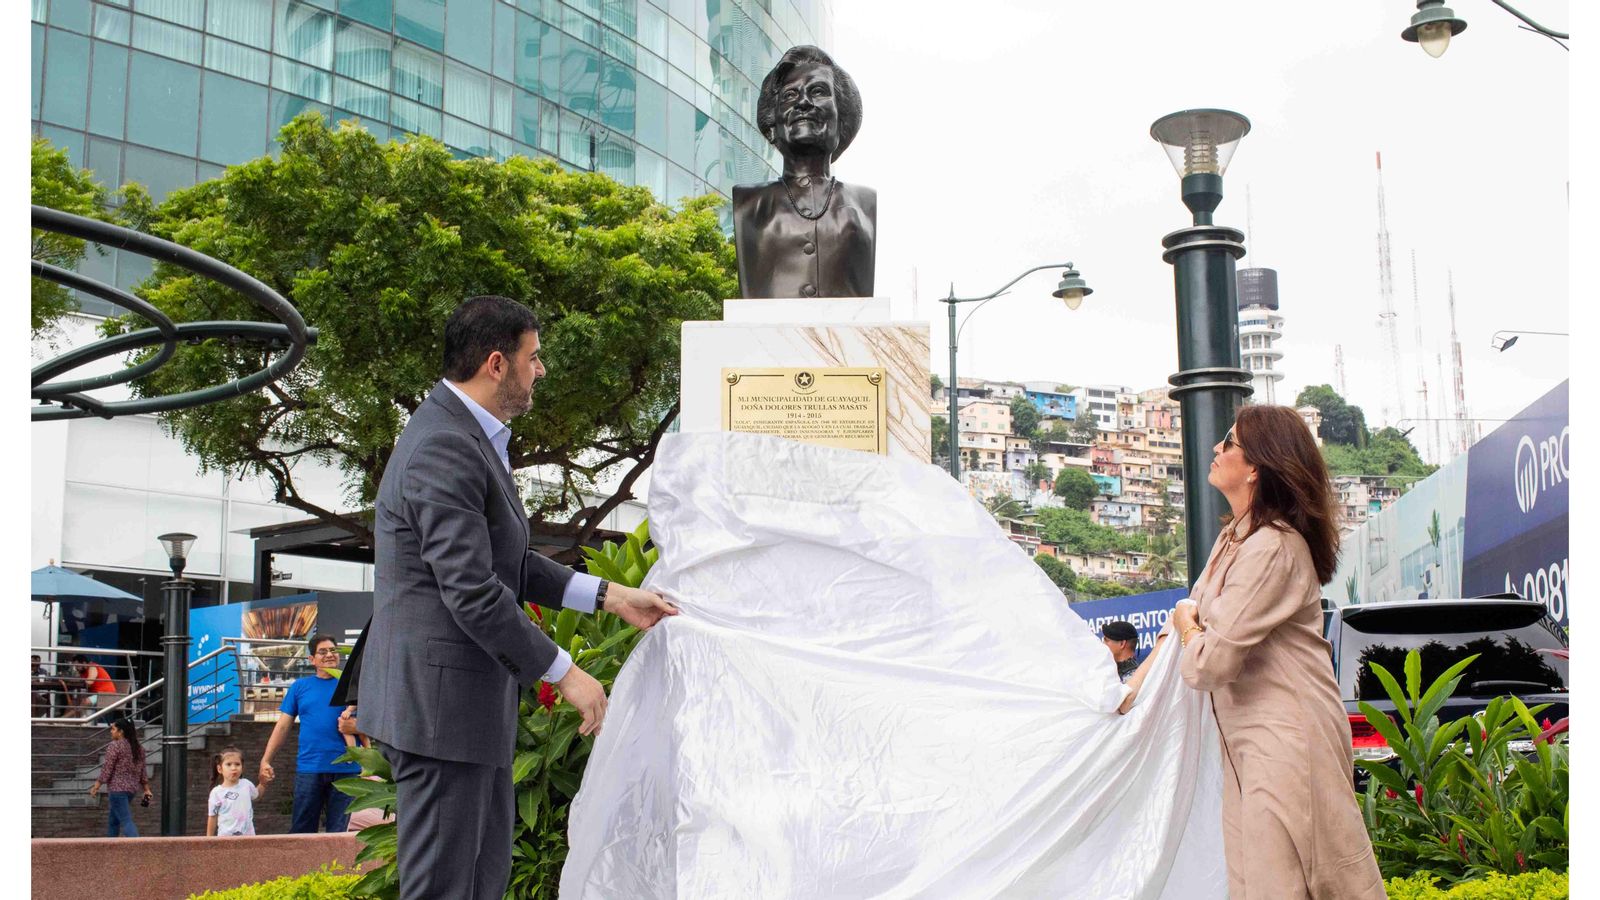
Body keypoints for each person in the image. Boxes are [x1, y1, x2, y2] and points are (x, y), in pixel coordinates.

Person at [340, 295, 679, 899]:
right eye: (534, 357)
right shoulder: (444, 444)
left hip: (462, 709)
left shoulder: (463, 434)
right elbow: (471, 591)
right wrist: (565, 672)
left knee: (480, 881)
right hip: (441, 712)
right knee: (448, 888)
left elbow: (510, 563)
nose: (540, 370)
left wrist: (611, 596)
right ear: (497, 364)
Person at [1167, 405, 1384, 898]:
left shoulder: (1272, 548)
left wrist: (1187, 628)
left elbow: (1210, 660)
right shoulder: (1233, 540)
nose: (1216, 449)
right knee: (1255, 885)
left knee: (1294, 883)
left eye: (1229, 442)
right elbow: (1188, 615)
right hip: (1248, 745)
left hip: (1286, 742)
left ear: (1256, 467)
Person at [732, 45, 876, 299]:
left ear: (842, 120)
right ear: (773, 124)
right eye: (790, 95)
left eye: (818, 92)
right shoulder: (747, 205)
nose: (803, 103)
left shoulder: (865, 203)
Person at [258, 633, 360, 833]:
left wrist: (355, 727)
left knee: (339, 833)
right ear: (311, 659)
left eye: (333, 650)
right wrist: (266, 759)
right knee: (301, 831)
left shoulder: (351, 686)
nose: (330, 655)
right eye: (323, 651)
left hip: (347, 770)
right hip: (310, 768)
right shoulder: (300, 687)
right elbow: (283, 727)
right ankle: (299, 867)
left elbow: (372, 723)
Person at [88, 715, 151, 836]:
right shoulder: (139, 748)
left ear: (121, 731)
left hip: (117, 790)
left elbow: (107, 768)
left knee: (126, 820)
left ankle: (139, 847)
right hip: (131, 790)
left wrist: (96, 786)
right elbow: (143, 771)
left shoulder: (115, 745)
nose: (111, 732)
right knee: (113, 821)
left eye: (113, 729)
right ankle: (111, 850)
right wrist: (147, 789)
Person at [207, 746, 265, 837]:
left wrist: (263, 783)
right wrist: (208, 840)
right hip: (225, 838)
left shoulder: (247, 784)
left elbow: (257, 795)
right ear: (220, 769)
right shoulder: (216, 793)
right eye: (229, 764)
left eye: (237, 764)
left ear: (242, 767)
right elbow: (212, 817)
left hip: (249, 838)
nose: (234, 768)